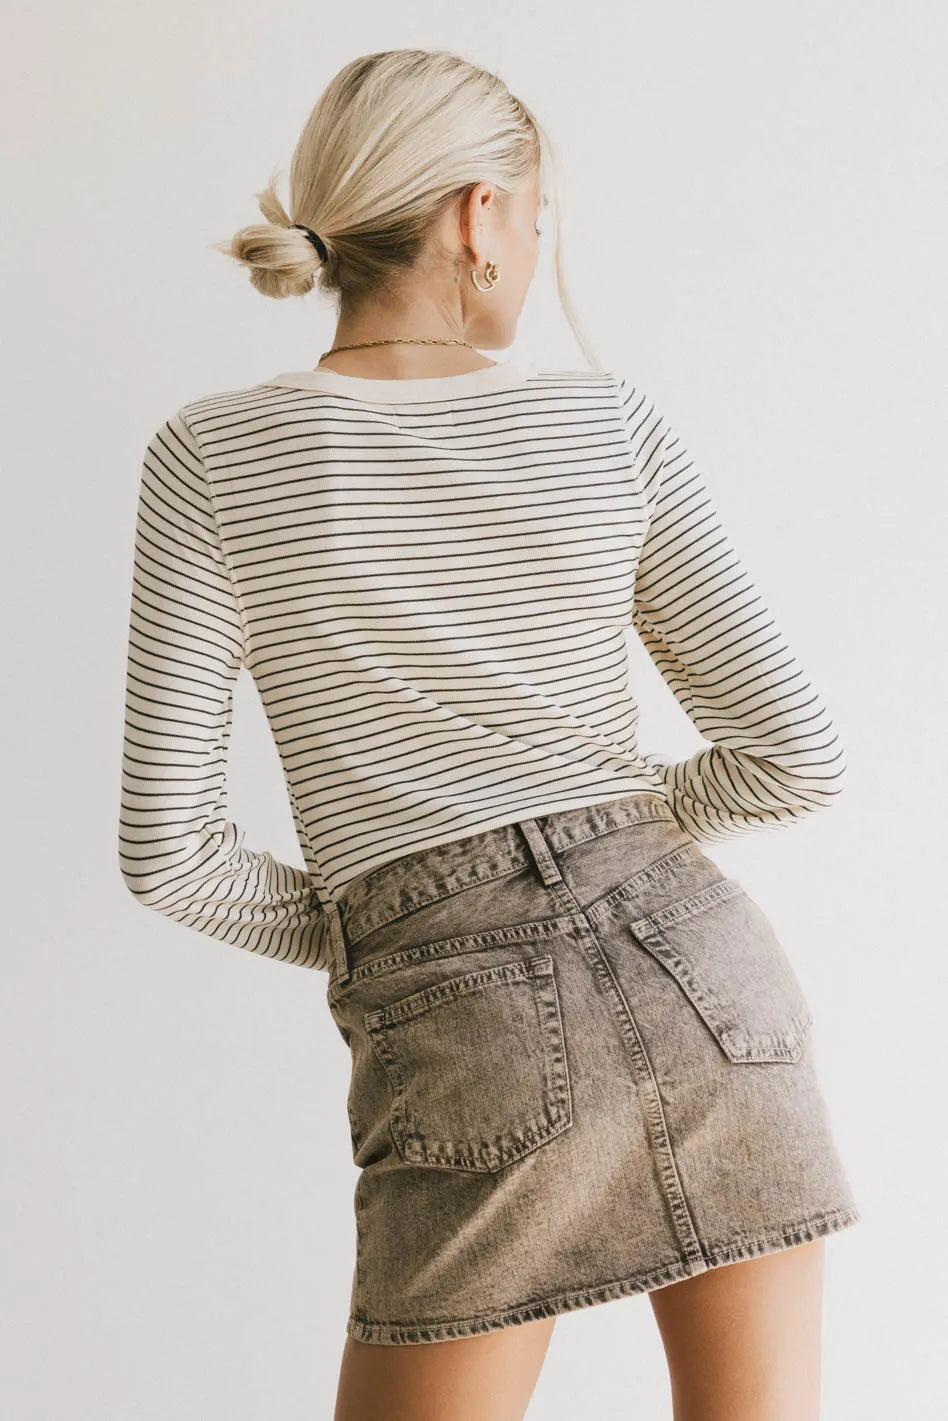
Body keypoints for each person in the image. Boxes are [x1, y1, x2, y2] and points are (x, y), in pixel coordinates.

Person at [117, 46, 860, 1421]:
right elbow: (793, 755)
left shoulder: (211, 456)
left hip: (455, 1024)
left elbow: (172, 854)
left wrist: (388, 926)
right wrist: (617, 837)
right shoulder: (607, 422)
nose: (532, 244)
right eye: (535, 214)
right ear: (477, 215)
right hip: (711, 988)